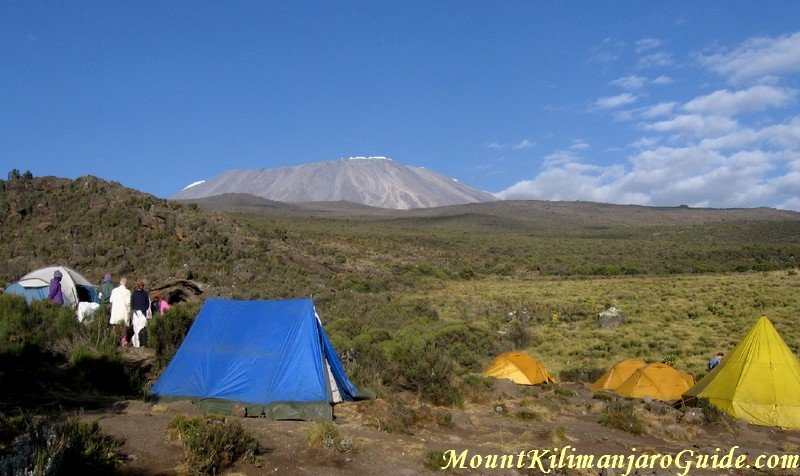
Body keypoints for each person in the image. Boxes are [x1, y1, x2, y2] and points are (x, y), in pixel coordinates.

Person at [109, 278, 132, 346]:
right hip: (123, 311)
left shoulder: (114, 290)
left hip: (115, 311)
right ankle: (123, 340)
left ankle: (113, 340)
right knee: (123, 327)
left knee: (114, 326)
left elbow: (111, 300)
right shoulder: (127, 292)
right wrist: (128, 312)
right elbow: (128, 303)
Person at [130, 280, 151, 348]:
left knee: (142, 328)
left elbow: (147, 303)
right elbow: (132, 303)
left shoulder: (145, 293)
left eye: (142, 285)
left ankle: (142, 343)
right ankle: (137, 344)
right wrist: (135, 310)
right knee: (136, 329)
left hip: (142, 312)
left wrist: (144, 309)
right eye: (140, 285)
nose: (141, 287)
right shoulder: (135, 293)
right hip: (136, 313)